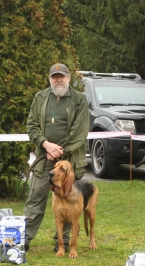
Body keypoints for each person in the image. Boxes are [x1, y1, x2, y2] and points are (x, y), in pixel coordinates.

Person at [24, 63, 90, 251]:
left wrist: (58, 150)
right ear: (49, 78)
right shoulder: (40, 97)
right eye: (55, 77)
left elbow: (80, 130)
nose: (58, 80)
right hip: (44, 158)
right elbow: (32, 126)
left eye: (62, 76)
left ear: (69, 78)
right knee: (36, 196)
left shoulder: (79, 100)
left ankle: (63, 240)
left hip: (68, 160)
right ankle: (25, 237)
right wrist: (45, 144)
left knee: (69, 198)